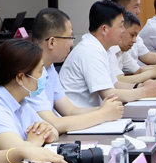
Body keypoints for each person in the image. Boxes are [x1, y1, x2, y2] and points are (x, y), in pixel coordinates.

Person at [29, 7, 129, 135]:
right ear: (52, 42)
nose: (72, 44)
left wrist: (104, 109)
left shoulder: (49, 68)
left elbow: (70, 111)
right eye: (69, 38)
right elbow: (54, 123)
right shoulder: (30, 72)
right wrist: (103, 114)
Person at [59, 0, 156, 109]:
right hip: (79, 116)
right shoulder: (90, 51)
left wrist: (140, 86)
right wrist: (144, 91)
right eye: (121, 25)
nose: (123, 30)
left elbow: (115, 84)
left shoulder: (103, 49)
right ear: (104, 29)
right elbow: (109, 94)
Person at [0, 39, 60, 150]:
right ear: (20, 78)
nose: (43, 77)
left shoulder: (21, 103)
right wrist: (35, 142)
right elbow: (18, 153)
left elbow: (53, 131)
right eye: (40, 72)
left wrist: (49, 136)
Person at [111, 0, 156, 66]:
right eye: (135, 7)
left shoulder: (132, 31)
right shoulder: (111, 41)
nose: (138, 11)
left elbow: (143, 62)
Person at [114, 11, 156, 85]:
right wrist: (153, 72)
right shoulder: (110, 48)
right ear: (121, 30)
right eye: (132, 35)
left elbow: (138, 70)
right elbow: (119, 81)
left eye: (136, 36)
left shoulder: (122, 51)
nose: (134, 40)